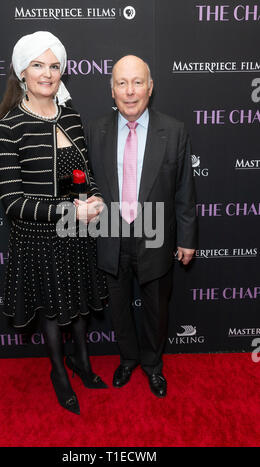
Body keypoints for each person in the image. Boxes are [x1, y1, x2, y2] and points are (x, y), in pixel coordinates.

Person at [0, 31, 108, 415]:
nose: (47, 73)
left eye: (54, 65)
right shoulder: (9, 127)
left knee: (77, 305)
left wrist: (93, 197)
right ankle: (59, 371)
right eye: (38, 65)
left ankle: (82, 362)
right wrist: (68, 211)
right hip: (38, 237)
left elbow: (85, 173)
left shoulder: (71, 116)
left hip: (75, 233)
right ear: (22, 72)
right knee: (52, 310)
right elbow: (13, 202)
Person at [86, 55, 197, 398]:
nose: (130, 91)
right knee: (118, 307)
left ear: (150, 87)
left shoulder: (174, 130)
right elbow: (85, 184)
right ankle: (128, 359)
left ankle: (152, 365)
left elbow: (184, 190)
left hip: (157, 235)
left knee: (156, 309)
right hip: (110, 235)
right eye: (122, 83)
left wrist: (187, 238)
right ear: (112, 90)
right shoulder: (95, 131)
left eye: (137, 82)